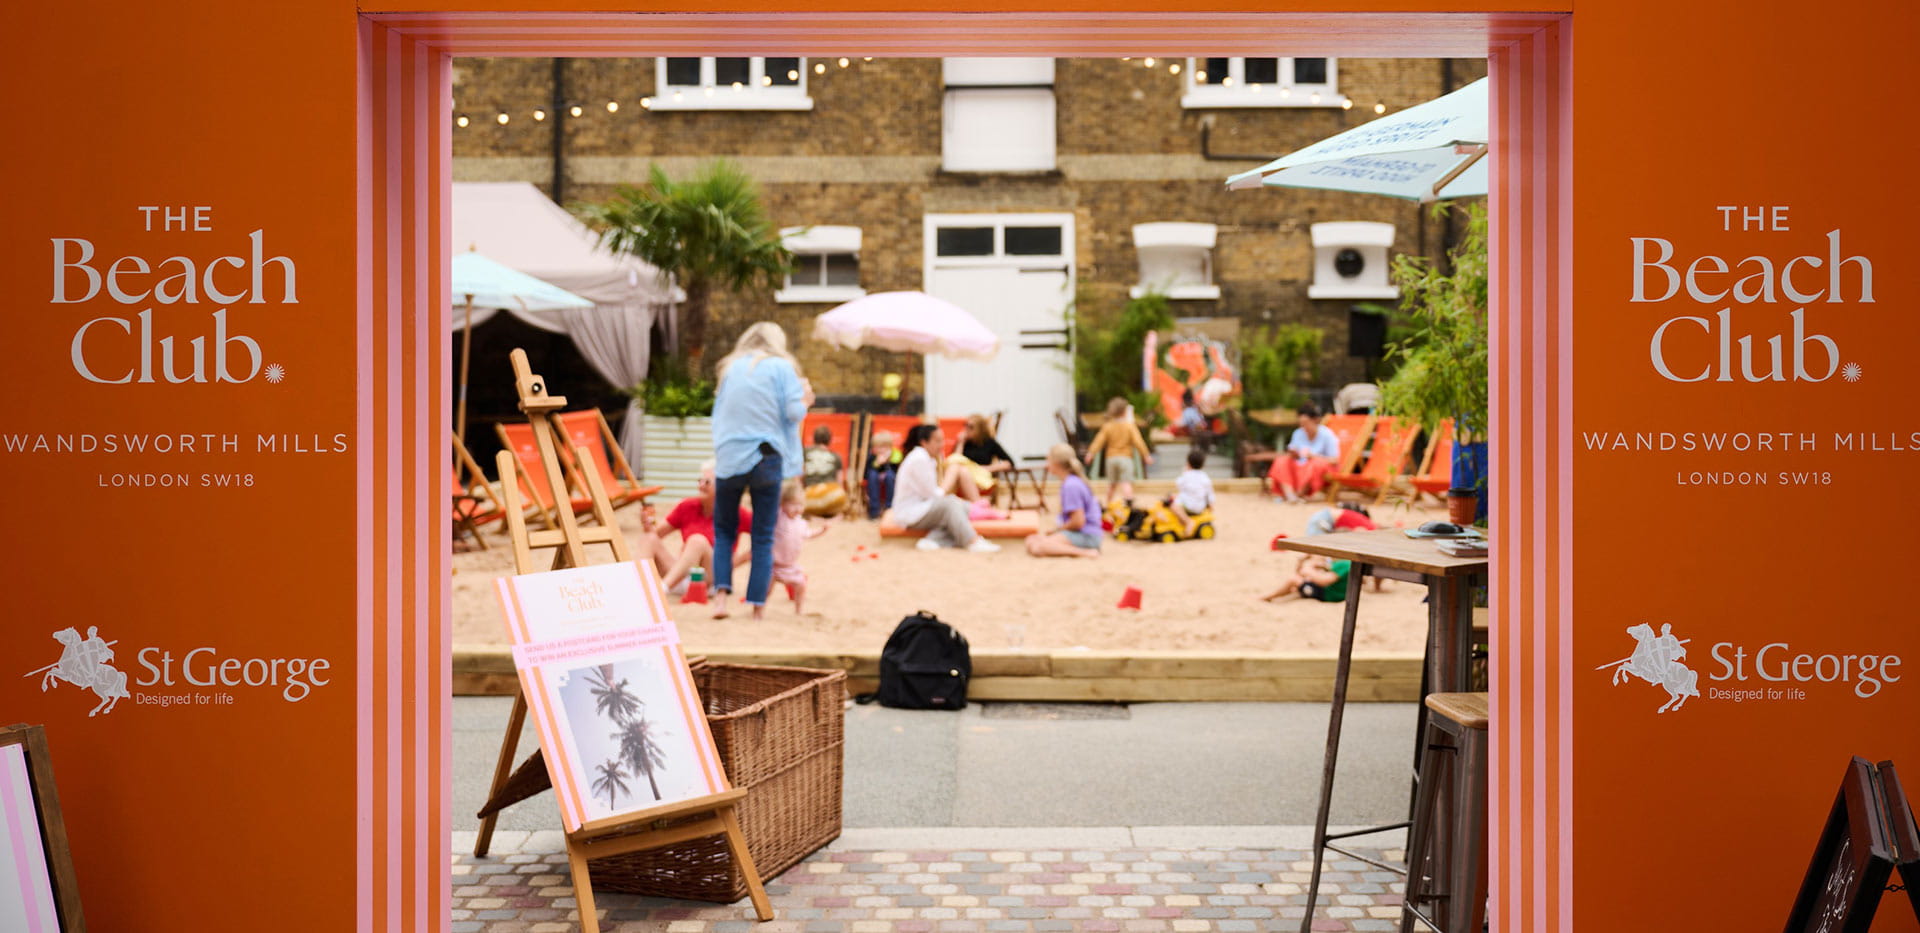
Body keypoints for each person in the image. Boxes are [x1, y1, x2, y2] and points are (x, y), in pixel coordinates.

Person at [710, 323, 811, 620]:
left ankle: (720, 600)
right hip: (766, 455)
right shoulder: (782, 367)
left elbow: (718, 414)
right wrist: (806, 400)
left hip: (729, 455)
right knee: (763, 536)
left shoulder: (730, 368)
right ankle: (757, 608)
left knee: (725, 531)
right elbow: (794, 413)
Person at [636, 461, 749, 593]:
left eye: (707, 482)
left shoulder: (736, 512)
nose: (701, 485)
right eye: (699, 481)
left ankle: (661, 590)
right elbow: (656, 535)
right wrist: (648, 526)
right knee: (648, 538)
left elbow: (765, 539)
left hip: (711, 578)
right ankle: (638, 586)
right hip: (681, 575)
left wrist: (733, 564)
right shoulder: (687, 506)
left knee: (697, 541)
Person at [892, 423, 1000, 552]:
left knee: (960, 507)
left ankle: (933, 540)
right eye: (937, 441)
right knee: (951, 504)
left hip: (921, 508)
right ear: (924, 442)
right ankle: (972, 541)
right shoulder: (919, 459)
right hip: (911, 513)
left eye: (942, 440)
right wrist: (949, 480)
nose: (942, 444)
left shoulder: (927, 458)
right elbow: (933, 495)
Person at [1026, 443, 1102, 558]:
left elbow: (1078, 522)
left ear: (1056, 463)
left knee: (1039, 547)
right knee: (1031, 539)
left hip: (1087, 535)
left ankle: (1085, 552)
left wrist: (1057, 531)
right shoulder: (1071, 481)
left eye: (1048, 460)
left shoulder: (1071, 485)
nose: (1047, 465)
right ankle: (1067, 547)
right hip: (1081, 533)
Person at [772, 478, 829, 614]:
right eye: (792, 504)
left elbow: (809, 534)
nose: (797, 508)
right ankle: (759, 609)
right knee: (766, 589)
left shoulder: (801, 523)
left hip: (791, 565)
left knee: (801, 584)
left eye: (800, 505)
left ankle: (798, 610)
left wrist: (822, 531)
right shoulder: (779, 518)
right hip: (774, 565)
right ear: (783, 504)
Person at [1084, 397, 1153, 502]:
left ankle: (1108, 504)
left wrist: (1091, 453)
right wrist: (1146, 455)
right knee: (1126, 483)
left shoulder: (1107, 426)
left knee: (1111, 485)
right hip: (1125, 458)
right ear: (1125, 412)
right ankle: (1129, 504)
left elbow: (1099, 441)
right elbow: (1138, 441)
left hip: (1110, 459)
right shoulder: (1129, 426)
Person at [1268, 403, 1341, 503]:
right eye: (1301, 424)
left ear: (1315, 420)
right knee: (1281, 460)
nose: (1304, 427)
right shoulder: (1298, 433)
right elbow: (1293, 454)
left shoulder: (1327, 435)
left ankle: (1299, 494)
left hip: (1318, 469)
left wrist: (1313, 456)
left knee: (1315, 464)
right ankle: (1290, 495)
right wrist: (1295, 454)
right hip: (1300, 467)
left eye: (1306, 423)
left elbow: (1335, 460)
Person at [946, 414, 1015, 503]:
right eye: (965, 425)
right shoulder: (964, 443)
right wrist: (961, 443)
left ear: (980, 429)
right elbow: (955, 459)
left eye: (971, 427)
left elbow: (1009, 463)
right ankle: (977, 503)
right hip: (963, 474)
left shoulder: (989, 443)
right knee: (957, 468)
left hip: (980, 475)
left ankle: (975, 503)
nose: (966, 429)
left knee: (961, 471)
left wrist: (987, 468)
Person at [1261, 554, 1354, 603]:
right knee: (1295, 584)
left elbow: (1324, 581)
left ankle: (1270, 597)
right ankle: (1272, 596)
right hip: (1333, 593)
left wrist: (1308, 570)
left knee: (1293, 580)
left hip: (1329, 596)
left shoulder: (1343, 564)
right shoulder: (1340, 563)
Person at [801, 425, 849, 517]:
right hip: (831, 496)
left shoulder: (805, 451)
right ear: (829, 440)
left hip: (811, 496)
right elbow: (840, 481)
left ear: (814, 439)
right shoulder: (836, 456)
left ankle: (813, 511)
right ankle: (828, 512)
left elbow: (800, 474)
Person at [1169, 447, 1214, 535]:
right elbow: (1209, 494)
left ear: (1188, 463)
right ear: (1203, 465)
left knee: (1174, 506)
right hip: (1200, 506)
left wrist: (1185, 471)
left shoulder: (1186, 475)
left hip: (1189, 506)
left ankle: (1188, 521)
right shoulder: (1205, 477)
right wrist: (1211, 505)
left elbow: (1178, 484)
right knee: (1180, 497)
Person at [863, 430, 901, 519]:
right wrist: (877, 463)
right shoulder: (872, 457)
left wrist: (887, 462)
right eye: (877, 447)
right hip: (874, 481)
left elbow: (898, 472)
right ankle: (874, 510)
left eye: (884, 447)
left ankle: (889, 508)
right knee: (872, 475)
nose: (881, 450)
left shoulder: (896, 455)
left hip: (891, 480)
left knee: (890, 475)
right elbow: (865, 474)